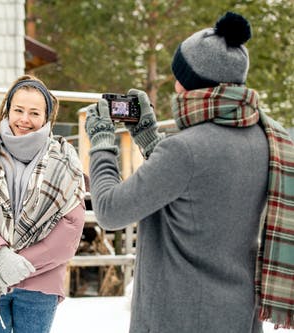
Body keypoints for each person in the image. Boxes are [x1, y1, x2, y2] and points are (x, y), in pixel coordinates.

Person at [83, 12, 294, 332]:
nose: (174, 83)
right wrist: (150, 140)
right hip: (237, 315)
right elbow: (196, 190)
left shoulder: (183, 150)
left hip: (178, 317)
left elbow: (110, 210)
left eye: (178, 75)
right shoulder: (266, 139)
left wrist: (101, 144)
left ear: (192, 83)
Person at [0, 74, 86, 333]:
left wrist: (20, 264)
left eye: (34, 113)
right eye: (19, 110)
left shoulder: (65, 163)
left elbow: (70, 227)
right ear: (7, 109)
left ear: (47, 118)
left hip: (40, 282)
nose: (25, 119)